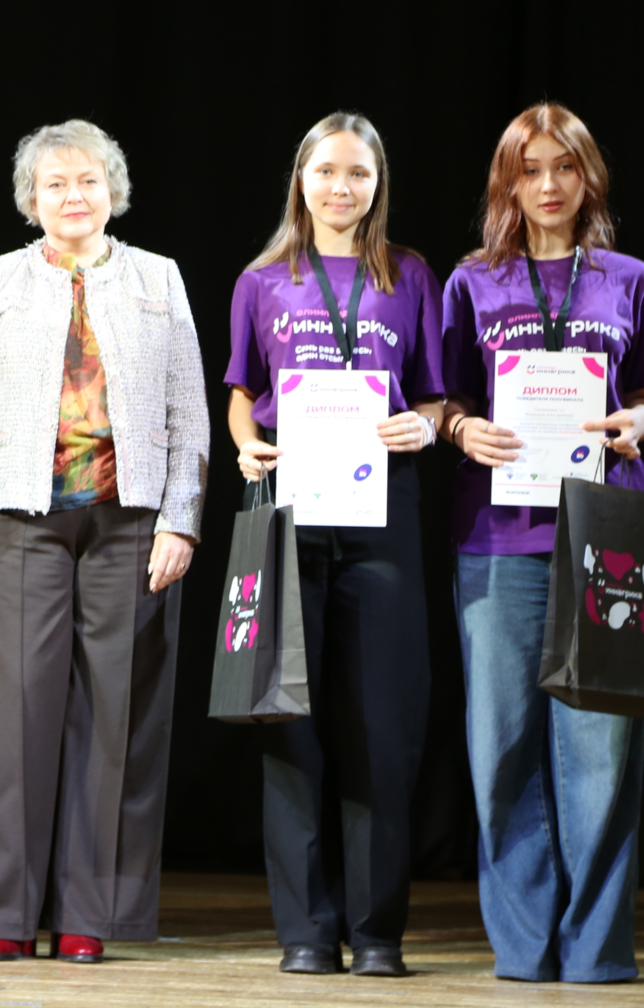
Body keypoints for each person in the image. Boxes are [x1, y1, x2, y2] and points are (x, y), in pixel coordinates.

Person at [0, 119, 207, 964]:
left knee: (115, 716)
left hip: (129, 522)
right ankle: (3, 915)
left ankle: (92, 914)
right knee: (10, 717)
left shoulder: (158, 277)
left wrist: (181, 519)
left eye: (88, 180)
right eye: (54, 183)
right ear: (31, 199)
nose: (73, 195)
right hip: (20, 522)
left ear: (112, 191)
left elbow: (190, 412)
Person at [439, 102, 644, 983]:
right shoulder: (472, 284)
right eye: (530, 169)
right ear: (508, 181)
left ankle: (596, 950)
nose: (548, 185)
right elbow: (447, 399)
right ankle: (524, 948)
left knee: (601, 750)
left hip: (605, 534)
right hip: (498, 538)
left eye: (564, 167)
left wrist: (635, 424)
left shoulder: (630, 280)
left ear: (587, 177)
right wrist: (462, 430)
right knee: (498, 746)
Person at [223, 112, 443, 978]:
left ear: (377, 182)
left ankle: (378, 932)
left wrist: (424, 427)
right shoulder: (261, 280)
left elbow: (432, 395)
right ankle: (307, 932)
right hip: (289, 511)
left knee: (382, 728)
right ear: (301, 180)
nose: (340, 188)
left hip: (382, 512)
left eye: (357, 173)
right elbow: (242, 391)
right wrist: (245, 444)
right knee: (290, 726)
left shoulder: (409, 275)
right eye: (326, 172)